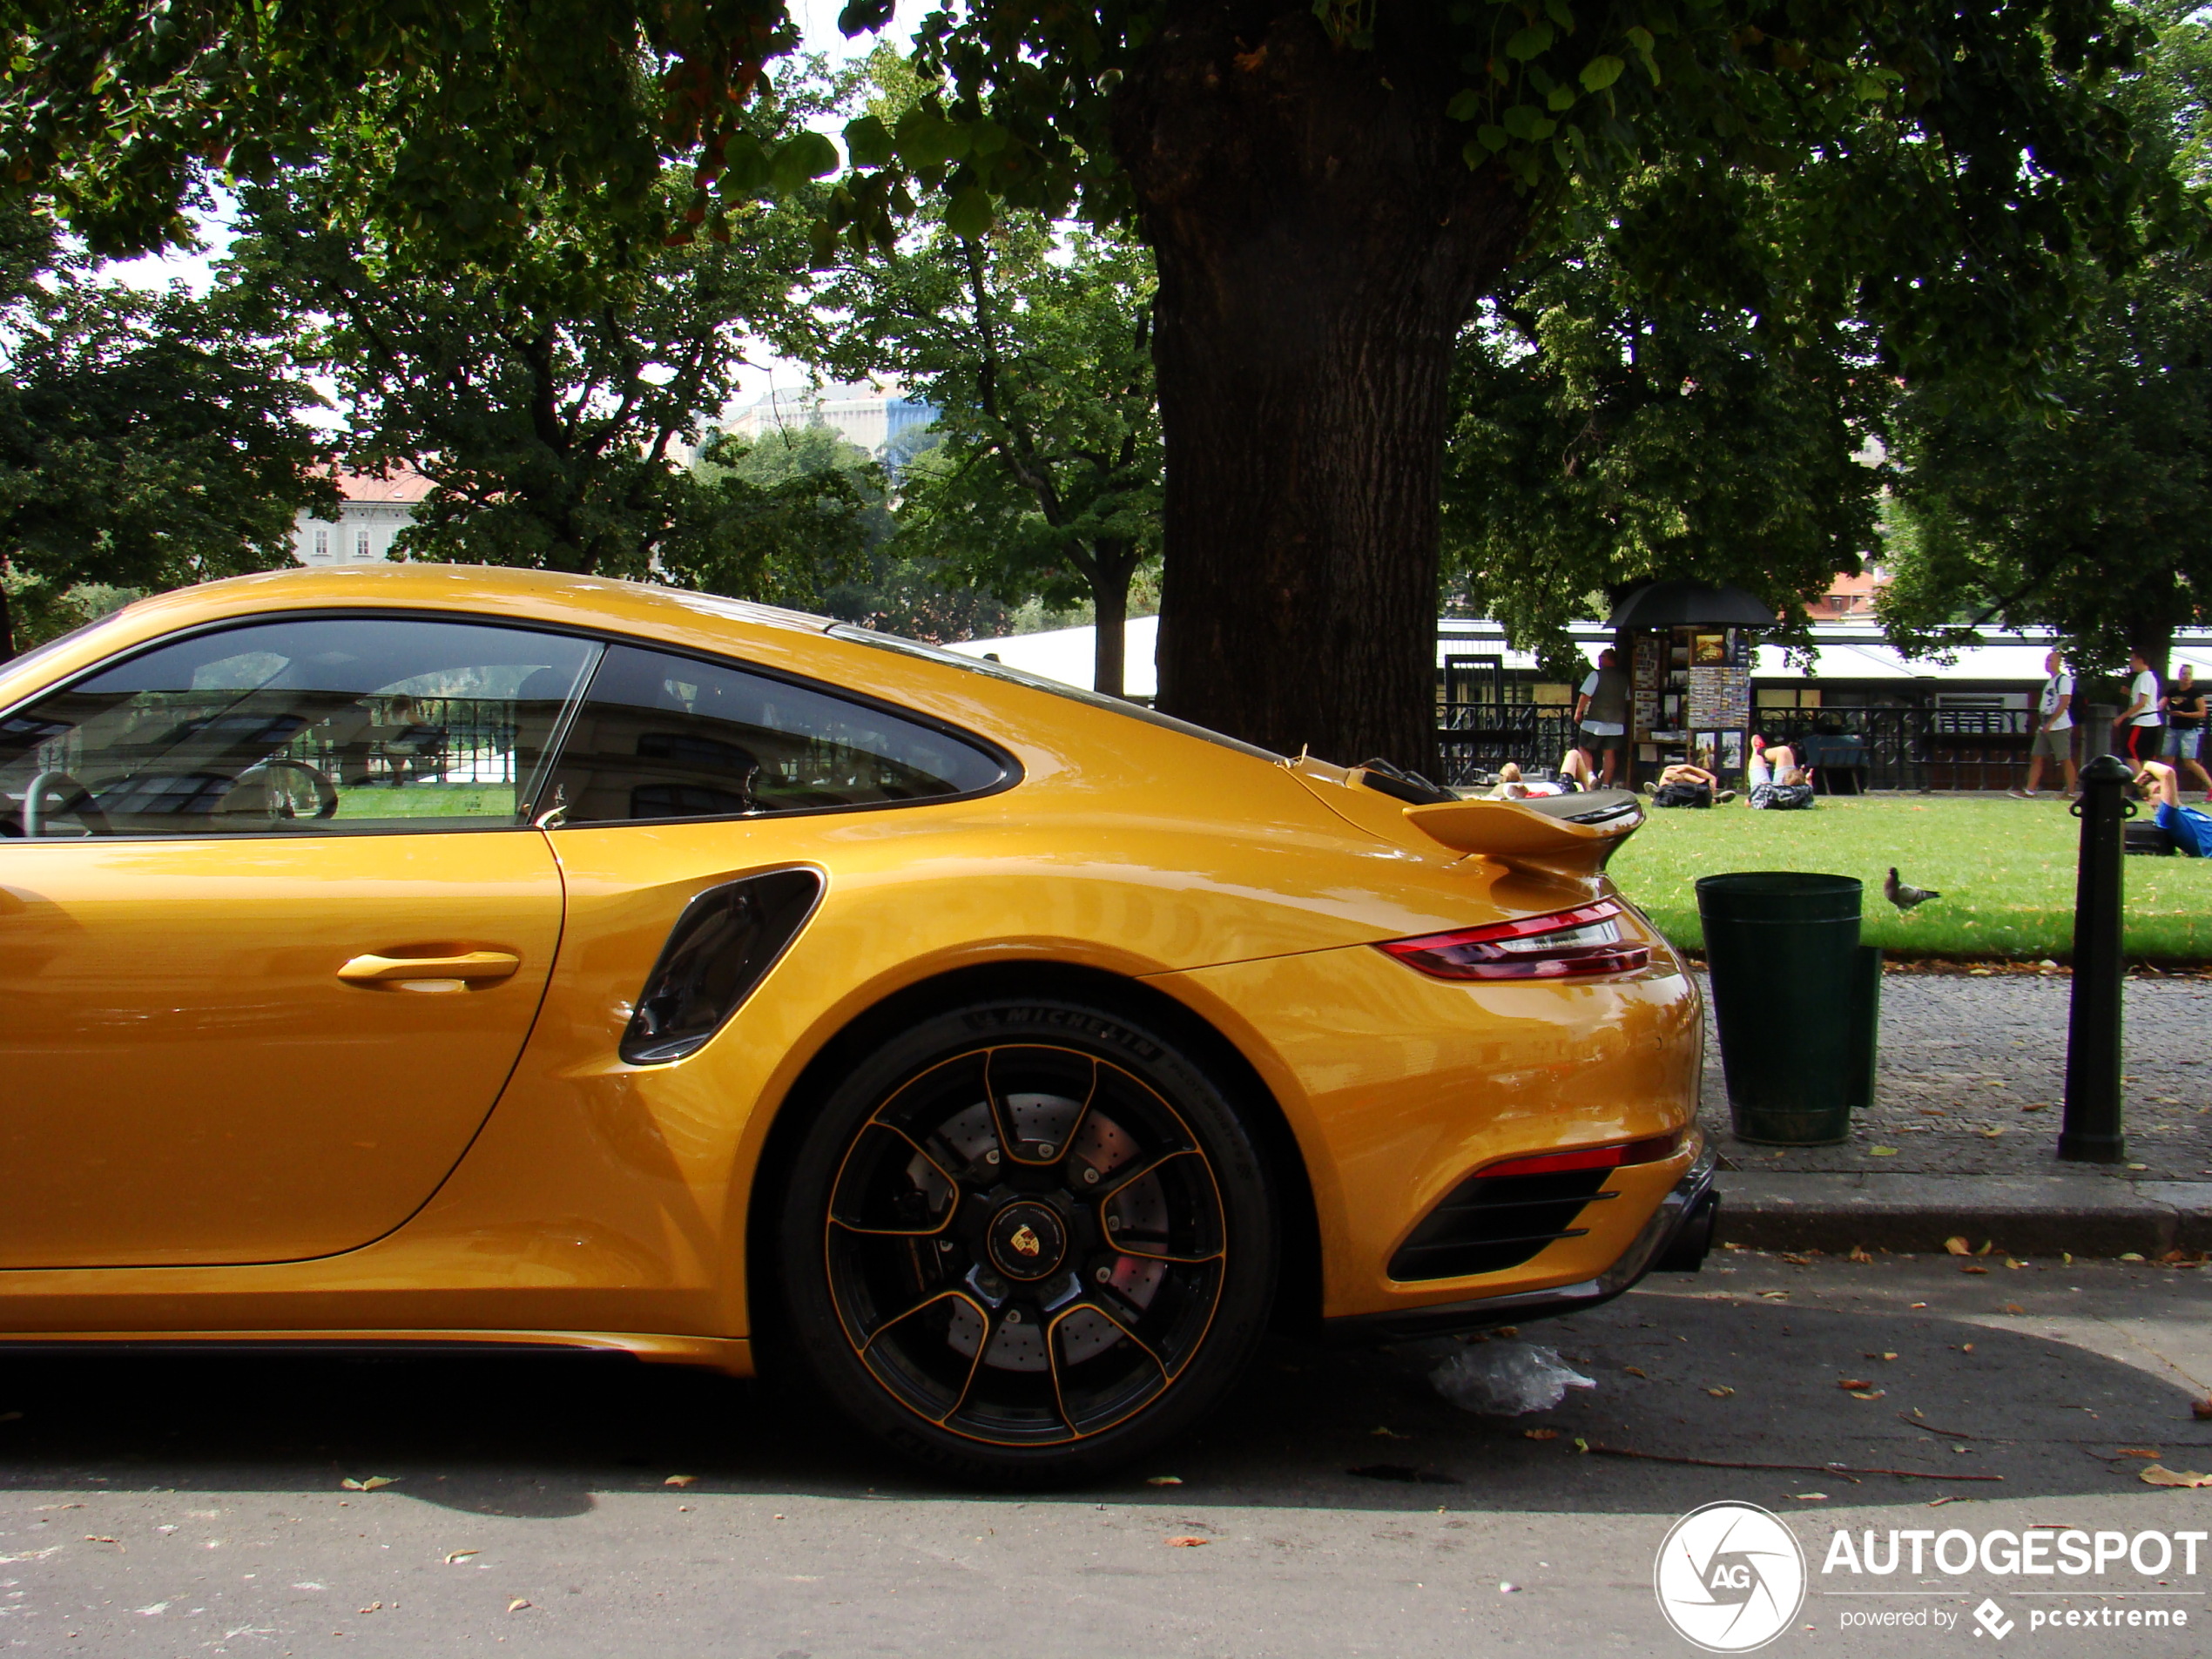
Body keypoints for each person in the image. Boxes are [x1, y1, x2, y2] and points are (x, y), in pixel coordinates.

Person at [2013, 647, 2078, 798]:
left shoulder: (2064, 680)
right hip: (2045, 723)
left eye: (2050, 660)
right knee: (2037, 756)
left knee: (2064, 758)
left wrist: (2052, 721)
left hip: (2059, 724)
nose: (2047, 663)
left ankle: (2071, 791)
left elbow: (2064, 701)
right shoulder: (2051, 681)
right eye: (2046, 660)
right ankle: (2030, 790)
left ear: (2059, 662)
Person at [1573, 648, 1631, 787]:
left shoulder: (1596, 675)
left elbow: (1585, 694)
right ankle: (1606, 784)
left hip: (1595, 720)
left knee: (1584, 746)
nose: (1599, 659)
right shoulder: (1623, 679)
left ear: (1609, 659)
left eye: (1602, 656)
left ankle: (1589, 774)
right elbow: (1627, 698)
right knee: (1609, 753)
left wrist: (1578, 711)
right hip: (1616, 723)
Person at [2136, 760, 2212, 857]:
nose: (2165, 792)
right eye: (2158, 791)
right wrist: (2147, 765)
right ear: (2148, 800)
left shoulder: (2182, 810)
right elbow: (2167, 773)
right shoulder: (2166, 816)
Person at [2161, 662, 2211, 799]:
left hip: (2189, 730)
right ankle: (2168, 790)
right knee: (2167, 761)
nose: (2186, 677)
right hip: (2173, 729)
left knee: (2189, 762)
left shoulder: (2195, 693)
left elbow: (2202, 713)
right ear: (2179, 676)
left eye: (2189, 674)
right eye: (2184, 674)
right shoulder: (2172, 692)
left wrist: (2184, 714)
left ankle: (2210, 786)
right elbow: (2160, 705)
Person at [2114, 651, 2162, 765]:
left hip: (2143, 722)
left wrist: (2121, 717)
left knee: (2129, 752)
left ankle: (2140, 781)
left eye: (2132, 660)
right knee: (2145, 756)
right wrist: (2130, 693)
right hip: (2152, 722)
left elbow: (2142, 703)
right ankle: (2147, 780)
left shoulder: (2143, 677)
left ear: (2140, 660)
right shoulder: (2150, 677)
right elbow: (2145, 698)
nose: (2131, 664)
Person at [1747, 735, 1815, 810]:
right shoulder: (1804, 791)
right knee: (1784, 751)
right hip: (1782, 789)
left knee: (1757, 759)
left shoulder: (1762, 791)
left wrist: (1808, 781)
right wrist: (1808, 781)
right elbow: (1808, 793)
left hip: (1765, 793)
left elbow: (1749, 802)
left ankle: (1758, 751)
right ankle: (1760, 752)